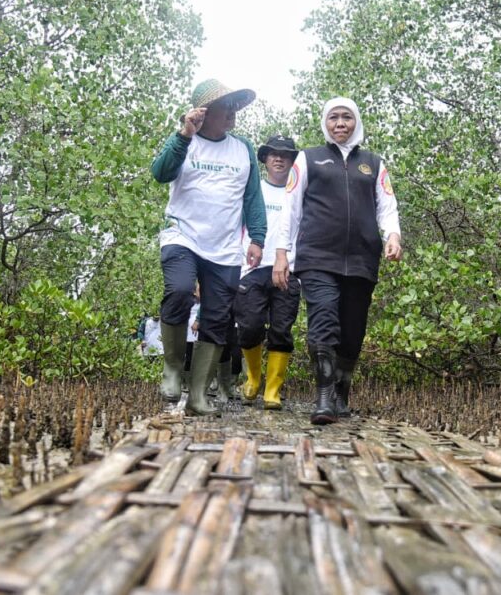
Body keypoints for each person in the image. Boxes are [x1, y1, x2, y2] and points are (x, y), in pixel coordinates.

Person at [273, 98, 402, 424]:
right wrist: (281, 254)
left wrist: (393, 236)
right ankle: (324, 399)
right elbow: (290, 208)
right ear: (325, 122)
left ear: (355, 122)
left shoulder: (373, 163)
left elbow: (387, 205)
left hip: (361, 258)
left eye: (346, 117)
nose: (340, 123)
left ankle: (342, 392)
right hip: (317, 255)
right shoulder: (308, 159)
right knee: (324, 319)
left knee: (353, 330)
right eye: (334, 117)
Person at [151, 79, 266, 416]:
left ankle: (199, 396)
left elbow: (253, 198)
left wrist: (257, 238)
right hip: (182, 235)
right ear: (203, 113)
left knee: (218, 317)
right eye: (224, 107)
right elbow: (160, 173)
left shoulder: (242, 148)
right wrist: (184, 135)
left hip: (225, 246)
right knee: (180, 289)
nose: (231, 113)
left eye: (233, 107)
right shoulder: (185, 142)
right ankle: (172, 370)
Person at [235, 135, 301, 410]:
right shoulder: (252, 191)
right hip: (252, 269)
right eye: (272, 154)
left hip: (289, 269)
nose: (278, 158)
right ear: (264, 159)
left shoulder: (299, 192)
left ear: (292, 161)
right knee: (249, 327)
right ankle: (253, 378)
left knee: (281, 330)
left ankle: (273, 390)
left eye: (285, 154)